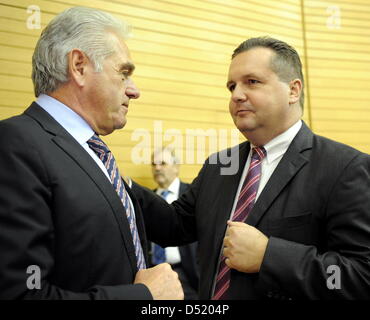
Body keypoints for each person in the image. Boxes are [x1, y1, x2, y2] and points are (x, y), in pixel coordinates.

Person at [132, 37, 370, 299]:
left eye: (252, 82)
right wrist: (118, 182)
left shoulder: (344, 168)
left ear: (293, 90)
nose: (236, 95)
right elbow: (174, 225)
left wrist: (269, 256)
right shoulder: (220, 164)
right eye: (231, 86)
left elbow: (359, 277)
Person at [0, 7, 183, 300]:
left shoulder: (92, 153)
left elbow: (174, 223)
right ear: (79, 66)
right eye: (123, 73)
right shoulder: (14, 144)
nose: (134, 90)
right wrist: (144, 297)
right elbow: (21, 293)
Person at [150, 147, 199, 300]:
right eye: (153, 164)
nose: (157, 168)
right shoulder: (149, 200)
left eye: (163, 163)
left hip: (187, 275)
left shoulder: (192, 195)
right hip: (153, 275)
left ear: (176, 167)